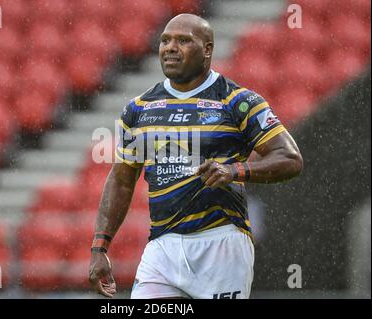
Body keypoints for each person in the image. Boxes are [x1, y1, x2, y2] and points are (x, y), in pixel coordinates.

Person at [88, 13, 303, 299]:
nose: (170, 47)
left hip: (222, 244)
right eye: (165, 40)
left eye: (183, 40)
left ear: (208, 49)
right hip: (162, 248)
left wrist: (234, 171)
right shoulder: (138, 109)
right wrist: (100, 247)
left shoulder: (237, 101)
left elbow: (290, 158)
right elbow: (122, 180)